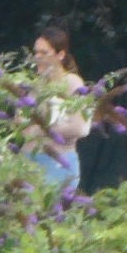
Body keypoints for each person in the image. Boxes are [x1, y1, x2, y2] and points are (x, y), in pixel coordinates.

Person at [29, 27, 90, 194]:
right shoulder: (36, 86)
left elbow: (80, 127)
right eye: (36, 53)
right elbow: (20, 122)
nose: (37, 58)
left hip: (57, 163)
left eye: (44, 52)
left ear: (60, 55)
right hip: (28, 162)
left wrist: (42, 129)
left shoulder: (72, 83)